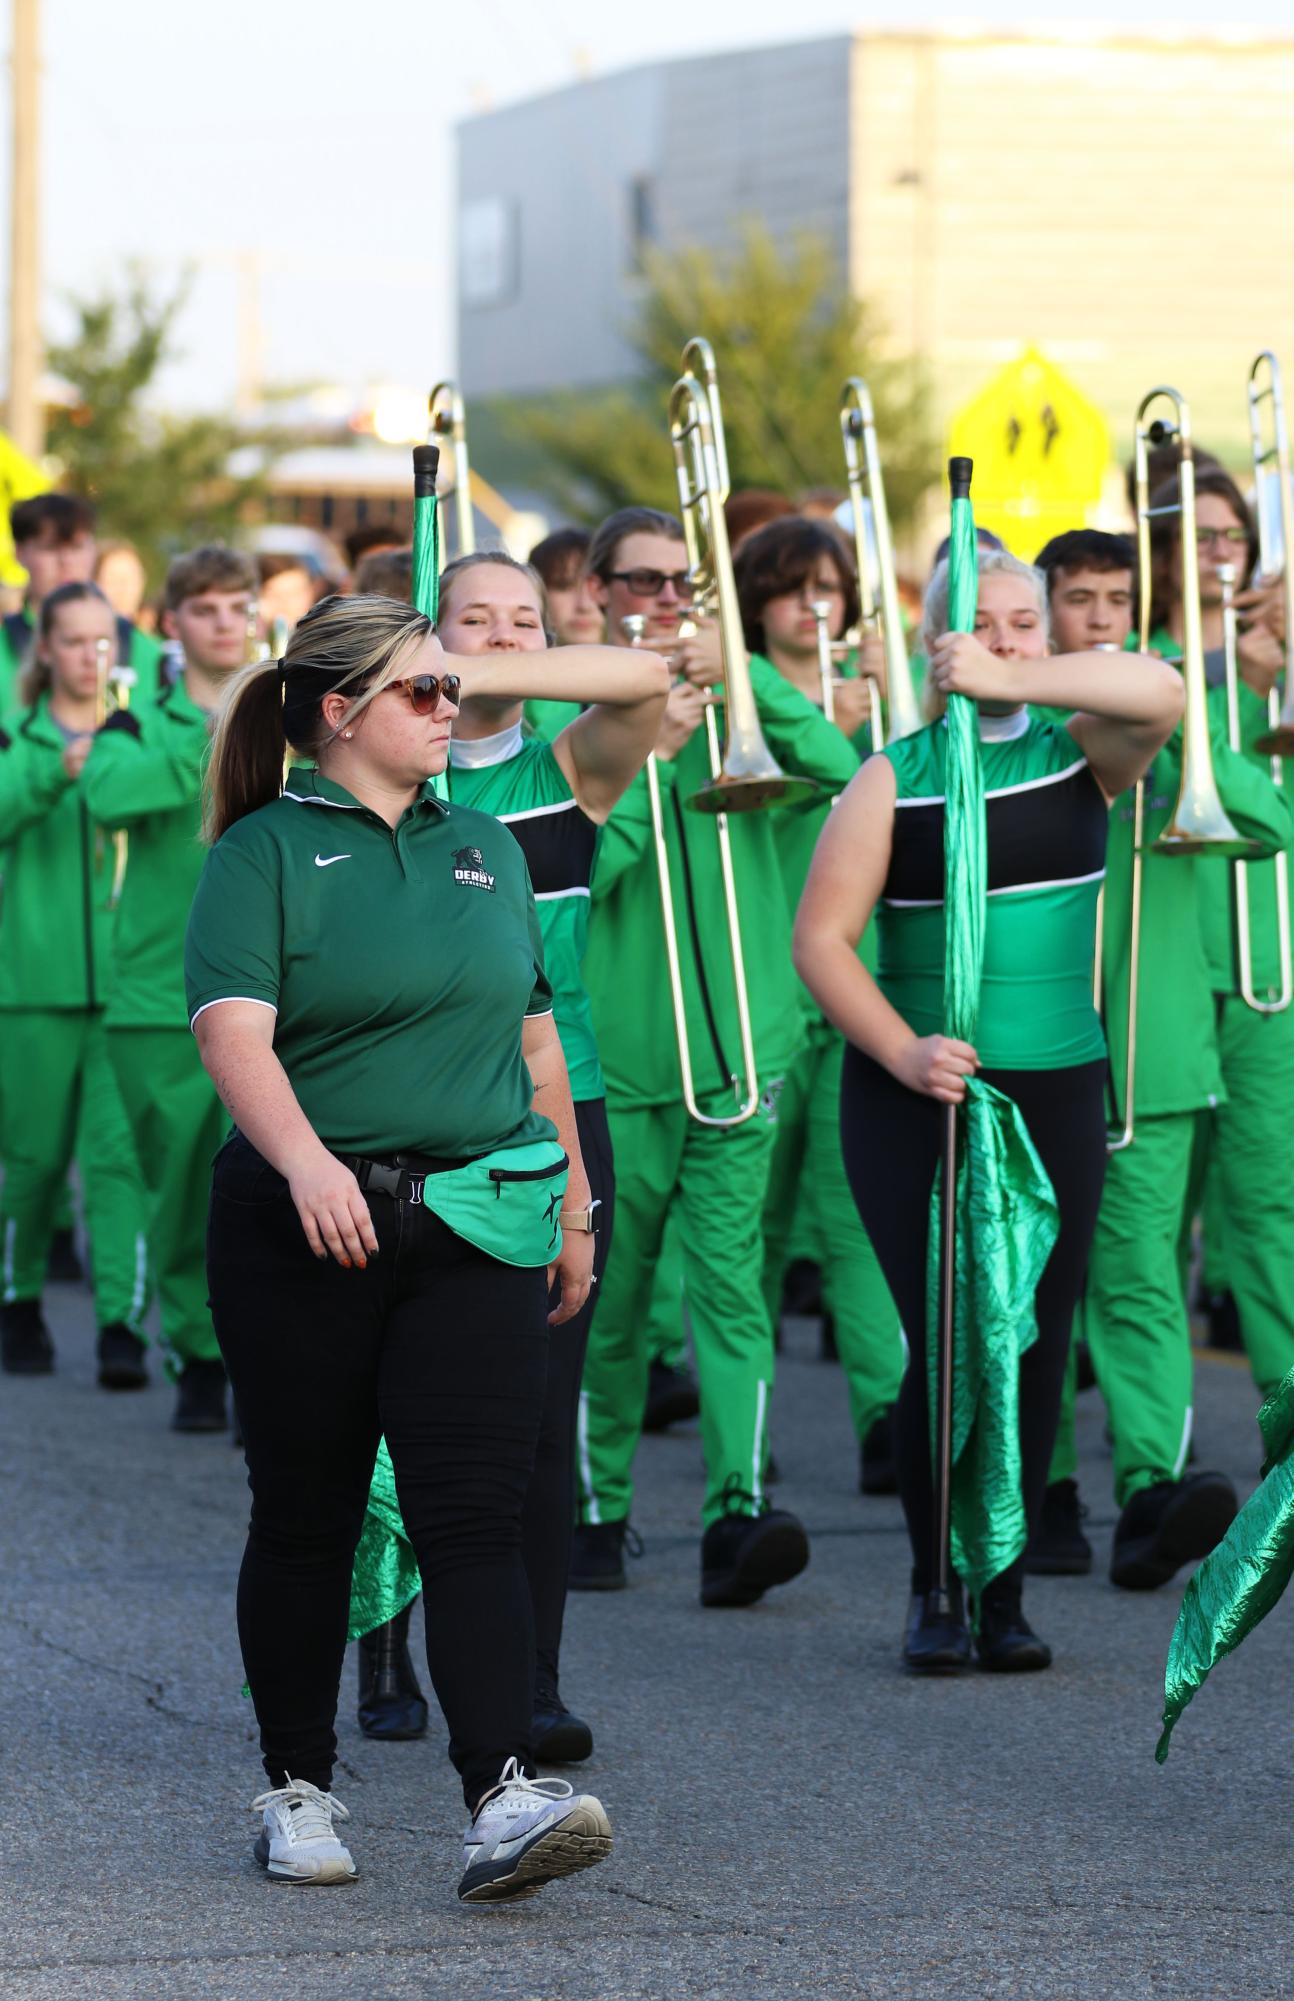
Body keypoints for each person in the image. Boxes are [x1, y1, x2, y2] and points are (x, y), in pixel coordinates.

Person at [186, 591, 612, 1902]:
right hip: (303, 1224)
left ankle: (499, 1797)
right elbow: (232, 1029)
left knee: (473, 1515)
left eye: (458, 690)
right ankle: (297, 1788)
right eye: (426, 690)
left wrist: (577, 1206)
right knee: (307, 1515)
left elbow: (534, 1041)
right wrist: (307, 1164)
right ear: (337, 710)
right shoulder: (261, 849)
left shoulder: (486, 843)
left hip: (483, 1218)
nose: (454, 711)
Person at [794, 549, 1184, 1671]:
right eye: (985, 624)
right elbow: (821, 943)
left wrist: (1025, 676)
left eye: (1027, 620)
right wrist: (903, 1050)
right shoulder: (890, 776)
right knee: (950, 1343)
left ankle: (1003, 1584)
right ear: (934, 643)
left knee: (1033, 1343)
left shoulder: (1084, 756)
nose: (1011, 636)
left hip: (1057, 1083)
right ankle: (934, 1586)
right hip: (918, 1093)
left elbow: (1159, 690)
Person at [350, 548, 667, 1763]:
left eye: (522, 620)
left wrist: (478, 659)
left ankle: (531, 1682)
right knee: (386, 1410)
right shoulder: (378, 781)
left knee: (534, 1411)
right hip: (402, 1112)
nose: (497, 641)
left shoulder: (562, 772)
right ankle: (382, 1642)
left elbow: (639, 680)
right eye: (467, 620)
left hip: (553, 1115)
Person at [573, 506, 858, 1605]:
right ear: (595, 592)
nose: (659, 598)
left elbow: (838, 767)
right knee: (615, 1290)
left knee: (734, 1291)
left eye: (679, 581)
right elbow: (578, 877)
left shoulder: (743, 703)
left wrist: (749, 675)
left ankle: (734, 1512)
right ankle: (598, 1505)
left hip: (742, 1048)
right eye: (638, 581)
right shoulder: (578, 721)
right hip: (627, 1066)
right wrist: (645, 759)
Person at [733, 516, 905, 1492]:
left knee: (859, 1217)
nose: (815, 605)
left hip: (861, 978)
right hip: (760, 983)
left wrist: (888, 695)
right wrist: (830, 720)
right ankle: (743, 1435)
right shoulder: (735, 701)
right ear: (758, 603)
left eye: (830, 587)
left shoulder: (888, 700)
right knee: (749, 1223)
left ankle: (885, 1413)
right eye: (794, 587)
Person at [83, 546, 258, 1432]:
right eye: (206, 609)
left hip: (275, 997)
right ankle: (195, 1350)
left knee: (276, 1190)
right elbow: (105, 796)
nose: (227, 621)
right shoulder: (133, 722)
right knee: (187, 1191)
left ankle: (264, 1358)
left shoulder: (293, 717)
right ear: (171, 625)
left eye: (240, 605)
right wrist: (221, 733)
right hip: (161, 999)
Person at [1149, 472, 1294, 1429]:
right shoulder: (1138, 653)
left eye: (1232, 530)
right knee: (1148, 1234)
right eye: (1195, 532)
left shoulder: (1277, 653)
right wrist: (1233, 675)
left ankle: (1287, 1434)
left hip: (1266, 977)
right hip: (1161, 982)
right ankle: (1157, 1453)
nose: (1218, 546)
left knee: (1274, 1218)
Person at [0, 582, 150, 1381]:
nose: (91, 656)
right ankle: (17, 1300)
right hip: (32, 982)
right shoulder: (17, 735)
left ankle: (120, 1325)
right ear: (46, 650)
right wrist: (54, 773)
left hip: (127, 986)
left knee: (119, 1163)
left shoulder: (139, 730)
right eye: (74, 640)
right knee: (30, 1160)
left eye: (104, 641)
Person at [0, 495, 162, 716]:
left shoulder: (145, 650)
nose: (66, 561)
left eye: (76, 547)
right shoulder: (4, 648)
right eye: (50, 548)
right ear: (19, 553)